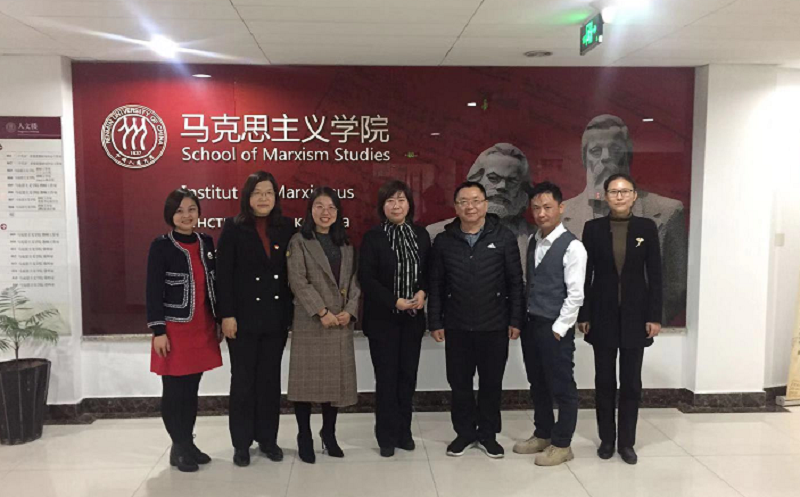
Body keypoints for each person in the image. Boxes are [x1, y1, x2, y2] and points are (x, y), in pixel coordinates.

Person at [428, 181, 524, 459]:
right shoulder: (444, 241)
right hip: (457, 325)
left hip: (494, 325)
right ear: (456, 207)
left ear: (485, 204)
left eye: (475, 201)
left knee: (491, 383)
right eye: (463, 202)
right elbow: (436, 284)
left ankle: (488, 435)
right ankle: (465, 433)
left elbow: (515, 282)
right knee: (459, 383)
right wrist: (435, 321)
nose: (470, 207)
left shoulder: (503, 237)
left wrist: (516, 319)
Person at [561, 115, 685, 325]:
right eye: (596, 151)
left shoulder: (667, 212)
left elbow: (676, 285)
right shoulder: (563, 215)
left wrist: (649, 317)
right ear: (584, 159)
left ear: (628, 156)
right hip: (582, 326)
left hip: (640, 323)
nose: (606, 158)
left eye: (615, 150)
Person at [577, 173, 663, 465]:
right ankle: (606, 440)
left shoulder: (646, 228)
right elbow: (585, 275)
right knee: (604, 381)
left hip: (636, 317)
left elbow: (656, 274)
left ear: (634, 195)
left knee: (631, 383)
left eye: (625, 191)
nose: (619, 196)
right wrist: (584, 313)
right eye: (614, 191)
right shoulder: (593, 229)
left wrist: (654, 316)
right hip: (601, 315)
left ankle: (627, 442)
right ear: (605, 196)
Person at [216, 171, 295, 467]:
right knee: (243, 382)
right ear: (247, 197)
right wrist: (226, 315)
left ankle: (268, 439)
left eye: (269, 193)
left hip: (275, 318)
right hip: (243, 320)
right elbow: (223, 276)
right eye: (257, 193)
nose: (263, 198)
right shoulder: (233, 228)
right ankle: (241, 443)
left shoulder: (287, 227)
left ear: (276, 197)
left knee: (269, 382)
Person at [146, 188, 223, 473]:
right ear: (170, 215)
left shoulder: (206, 242)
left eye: (191, 209)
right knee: (174, 390)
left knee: (191, 389)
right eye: (179, 211)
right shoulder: (161, 246)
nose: (186, 215)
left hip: (202, 327)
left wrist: (219, 320)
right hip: (174, 330)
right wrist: (158, 330)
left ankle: (188, 443)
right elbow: (153, 290)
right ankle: (178, 445)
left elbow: (214, 284)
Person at [513, 182, 587, 467]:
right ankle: (543, 433)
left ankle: (562, 444)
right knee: (538, 383)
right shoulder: (534, 241)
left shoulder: (573, 247)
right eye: (536, 208)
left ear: (561, 208)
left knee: (562, 386)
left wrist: (559, 328)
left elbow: (576, 294)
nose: (541, 213)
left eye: (547, 207)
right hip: (532, 324)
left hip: (555, 328)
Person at [287, 187, 361, 464]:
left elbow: (355, 280)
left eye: (331, 207)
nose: (325, 212)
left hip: (339, 322)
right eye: (319, 206)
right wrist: (321, 311)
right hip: (311, 321)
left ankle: (328, 434)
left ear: (338, 212)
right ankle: (304, 436)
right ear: (310, 211)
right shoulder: (299, 241)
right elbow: (297, 280)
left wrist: (350, 310)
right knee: (305, 385)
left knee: (334, 384)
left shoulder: (346, 243)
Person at [359, 180, 431, 458]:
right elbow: (367, 279)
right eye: (390, 200)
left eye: (401, 200)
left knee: (407, 378)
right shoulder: (373, 237)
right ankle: (386, 436)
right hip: (383, 321)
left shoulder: (421, 235)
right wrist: (394, 301)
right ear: (382, 206)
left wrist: (423, 292)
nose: (396, 205)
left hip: (412, 320)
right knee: (386, 379)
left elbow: (429, 271)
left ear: (409, 204)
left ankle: (404, 432)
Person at [427, 143, 535, 271]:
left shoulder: (536, 237)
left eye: (512, 181)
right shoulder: (435, 235)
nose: (502, 187)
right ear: (476, 182)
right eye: (493, 178)